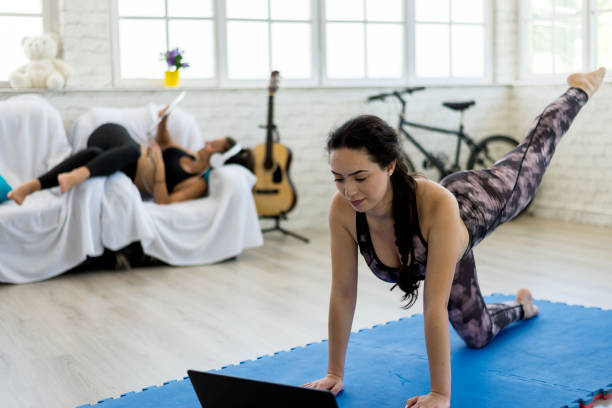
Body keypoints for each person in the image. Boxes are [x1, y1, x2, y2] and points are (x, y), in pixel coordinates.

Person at [303, 68, 606, 408]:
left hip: (475, 202)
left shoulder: (434, 204)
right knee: (477, 336)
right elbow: (343, 292)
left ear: (389, 166)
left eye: (359, 176)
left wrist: (440, 395)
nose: (349, 190)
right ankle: (523, 306)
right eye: (338, 178)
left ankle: (579, 89)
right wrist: (334, 373)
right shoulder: (343, 210)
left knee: (533, 152)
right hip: (445, 252)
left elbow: (433, 307)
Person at [8, 106, 254, 206]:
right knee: (131, 148)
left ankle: (31, 186)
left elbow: (164, 201)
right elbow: (166, 141)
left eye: (214, 146)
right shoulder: (189, 152)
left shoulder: (198, 181)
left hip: (129, 169)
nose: (208, 143)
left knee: (93, 154)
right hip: (113, 137)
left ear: (219, 160)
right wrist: (164, 120)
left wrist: (158, 165)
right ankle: (73, 176)